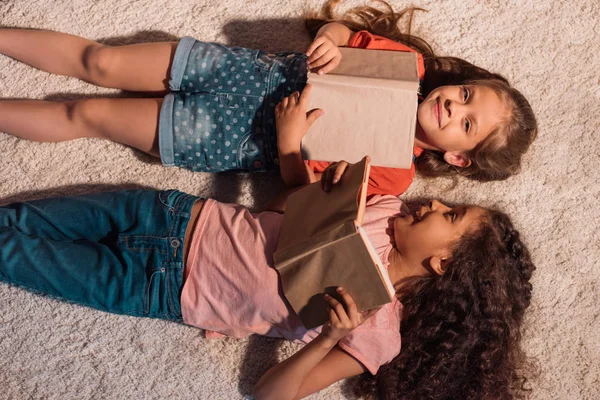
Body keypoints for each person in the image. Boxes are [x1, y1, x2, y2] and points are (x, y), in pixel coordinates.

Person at [0, 89, 535, 399]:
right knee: (18, 218)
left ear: (442, 264)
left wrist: (328, 338)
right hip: (172, 214)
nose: (436, 203)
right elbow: (284, 207)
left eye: (451, 214)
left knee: (13, 253)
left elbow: (268, 393)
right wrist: (305, 172)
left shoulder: (377, 331)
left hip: (159, 287)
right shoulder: (386, 208)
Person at [0, 1, 537, 197]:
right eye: (466, 95)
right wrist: (329, 41)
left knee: (86, 114)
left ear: (458, 157)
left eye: (467, 124)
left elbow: (305, 202)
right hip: (231, 69)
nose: (453, 106)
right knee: (101, 61)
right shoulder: (407, 68)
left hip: (221, 137)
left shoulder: (394, 176)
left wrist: (289, 145)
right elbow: (341, 34)